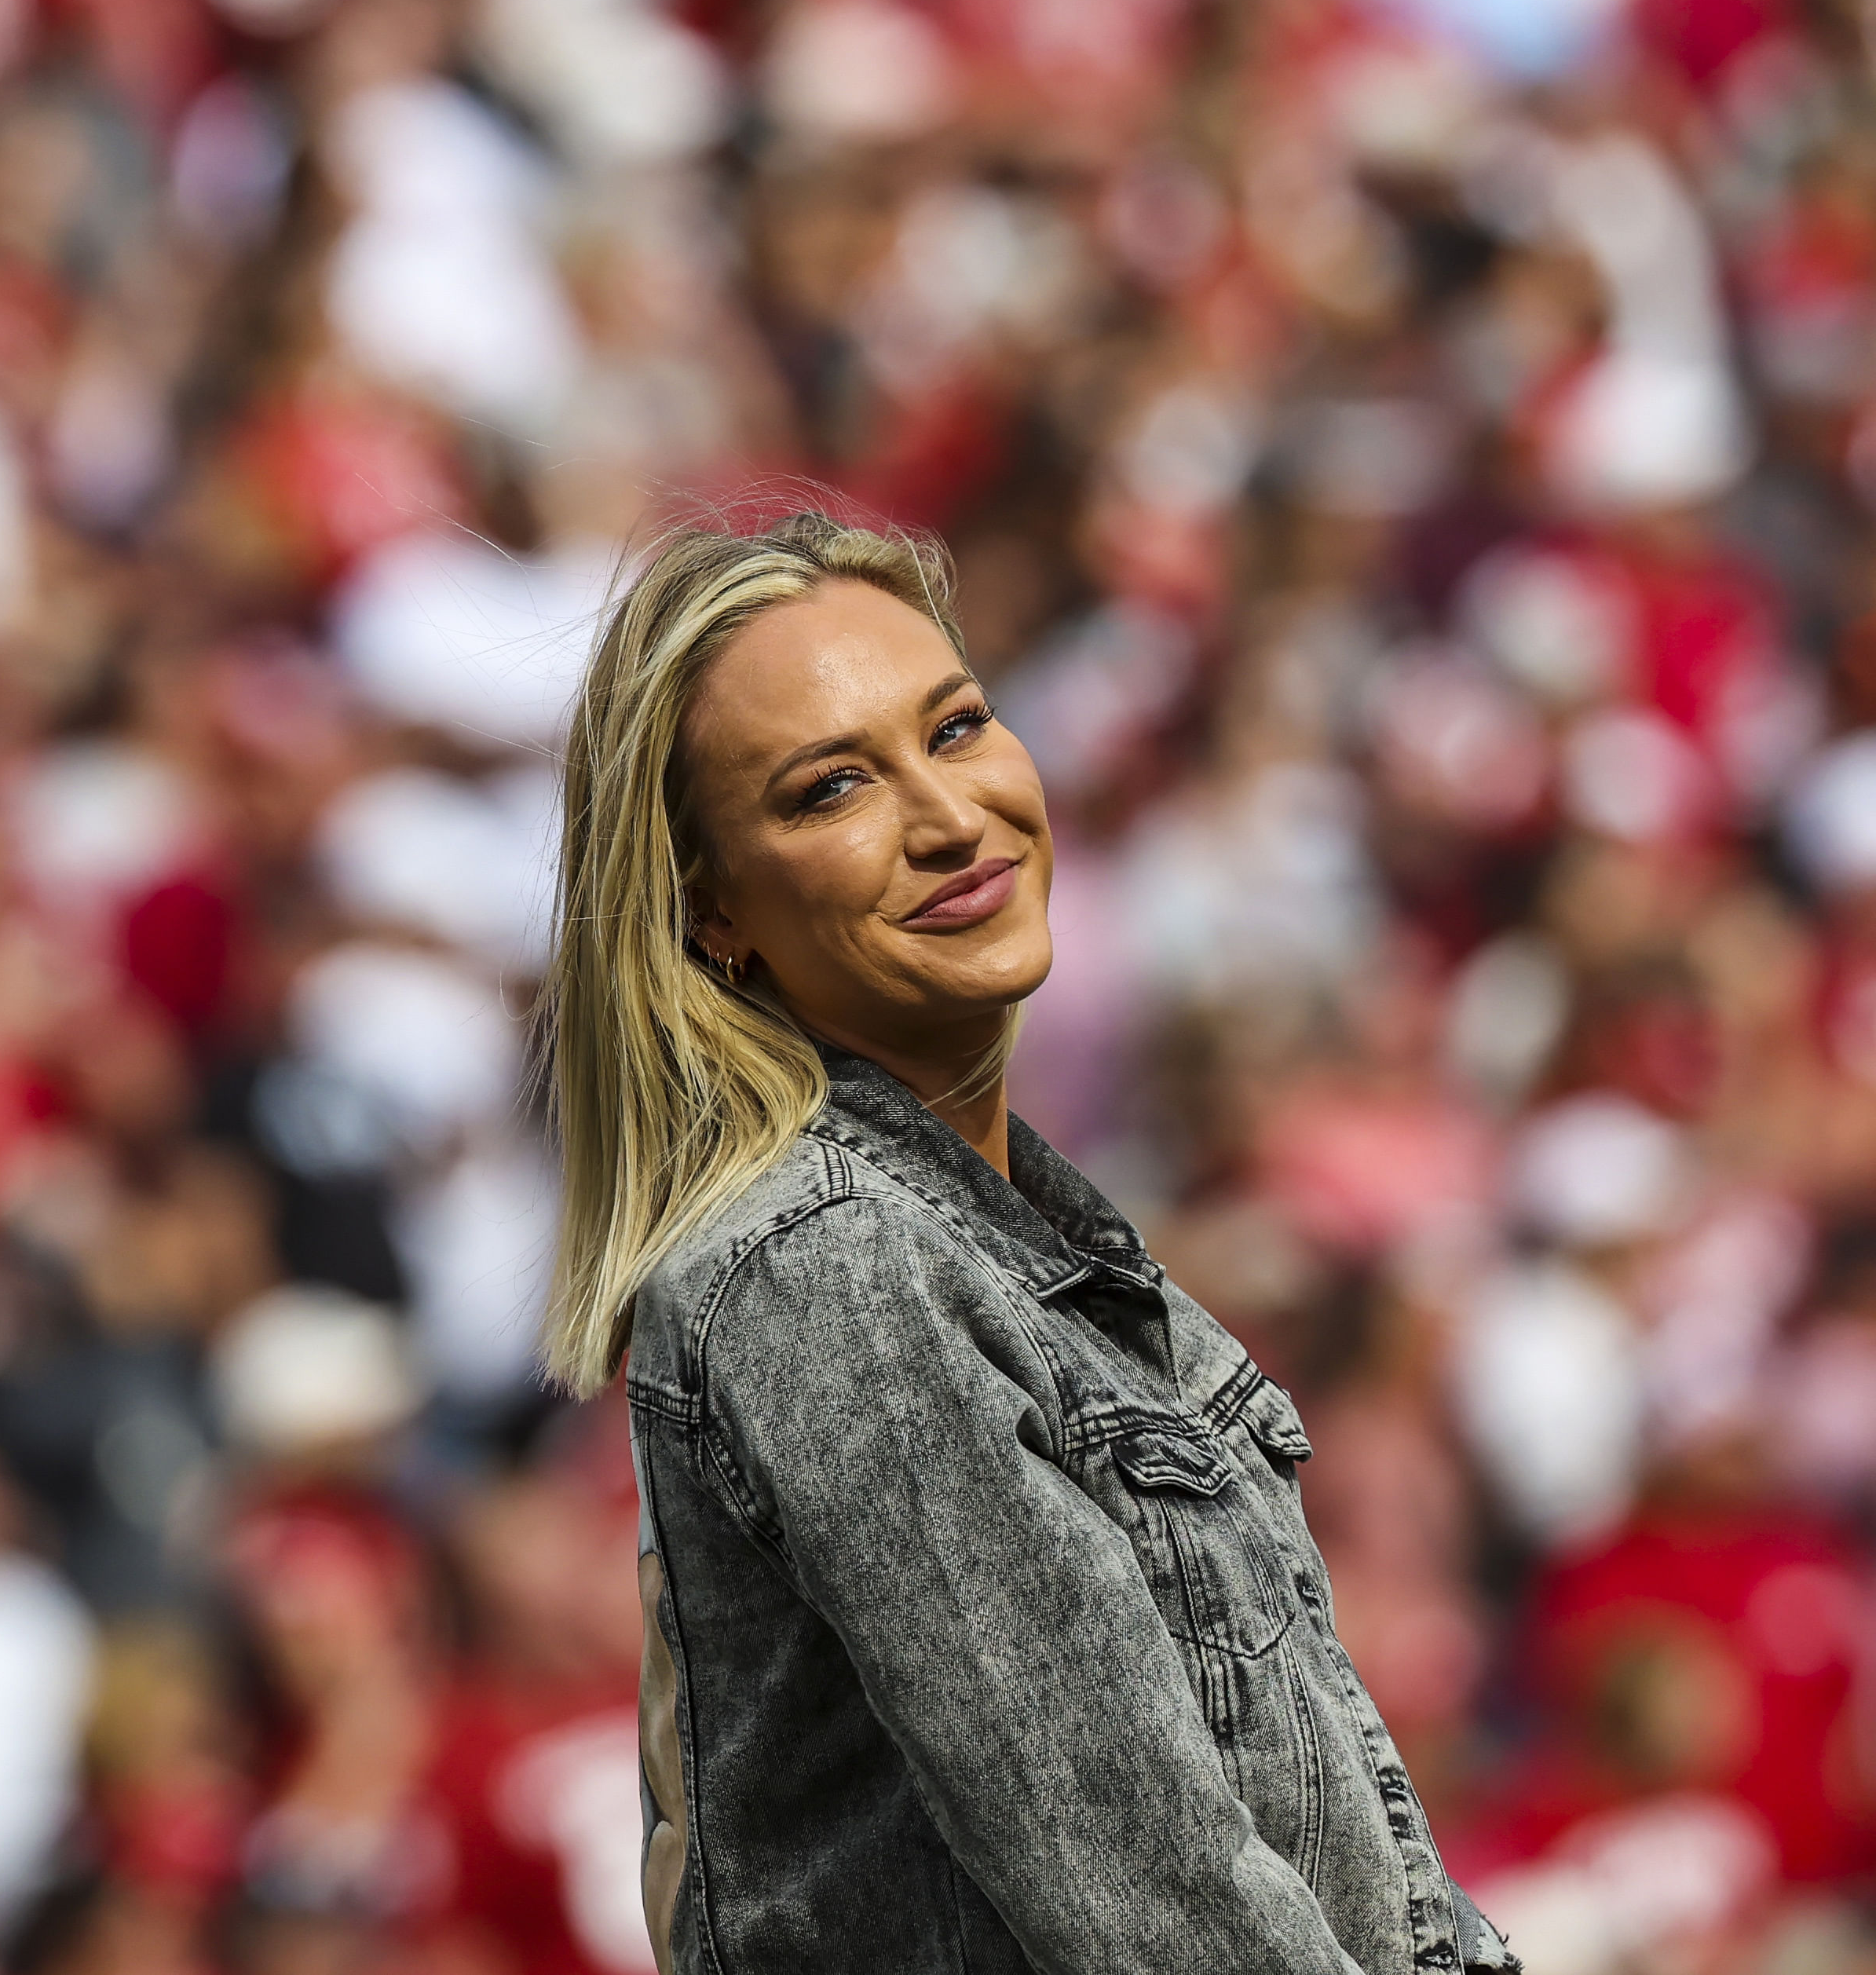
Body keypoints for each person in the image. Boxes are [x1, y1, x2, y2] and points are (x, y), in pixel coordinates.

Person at [539, 509, 1523, 1975]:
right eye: (831, 789)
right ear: (713, 912)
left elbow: (1355, 1862)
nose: (949, 815)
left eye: (959, 725)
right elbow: (1152, 1893)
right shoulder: (831, 1263)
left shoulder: (1034, 1253)